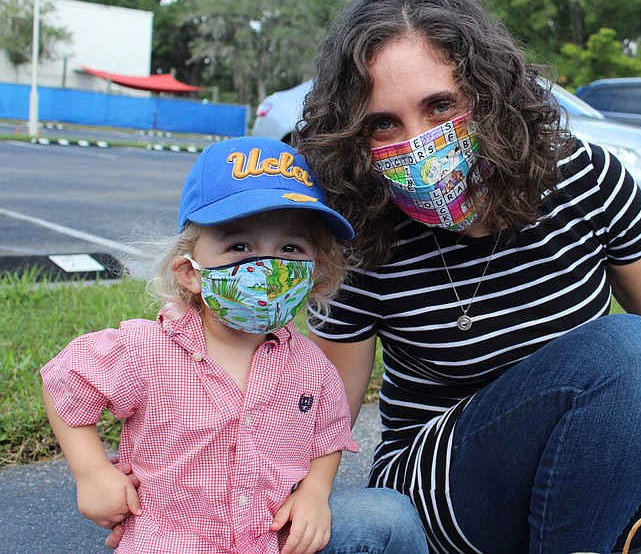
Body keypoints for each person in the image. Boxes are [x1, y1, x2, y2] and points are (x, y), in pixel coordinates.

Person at [296, 0, 641, 553]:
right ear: (354, 137)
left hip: (596, 476)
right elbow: (330, 409)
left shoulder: (587, 181)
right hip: (448, 493)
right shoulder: (361, 228)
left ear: (491, 96)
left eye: (440, 106)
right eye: (384, 124)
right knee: (630, 349)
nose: (417, 145)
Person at [41, 137, 427, 554]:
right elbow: (66, 382)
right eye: (239, 246)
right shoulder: (144, 349)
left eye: (290, 248)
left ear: (315, 270)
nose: (268, 266)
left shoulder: (312, 365)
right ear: (189, 272)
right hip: (170, 541)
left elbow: (327, 437)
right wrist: (93, 473)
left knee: (389, 516)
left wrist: (315, 493)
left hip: (269, 540)